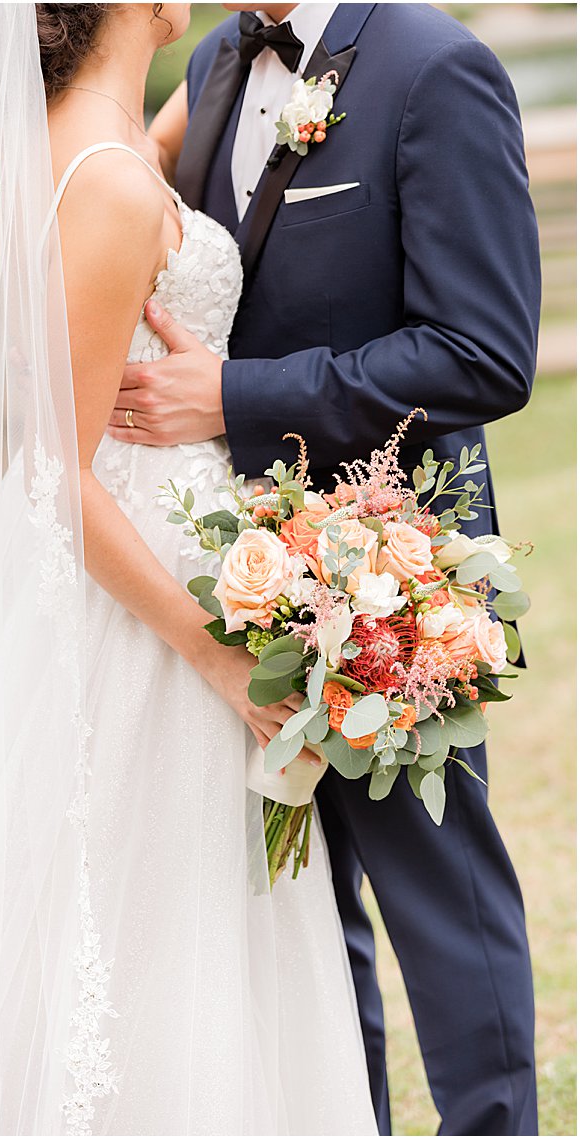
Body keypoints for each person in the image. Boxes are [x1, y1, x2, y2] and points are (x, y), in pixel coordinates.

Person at [0, 5, 374, 1133]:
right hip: (143, 607)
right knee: (152, 932)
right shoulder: (110, 185)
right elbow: (52, 474)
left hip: (97, 590)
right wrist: (215, 654)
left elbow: (185, 116)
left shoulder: (79, 146)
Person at [122, 5, 540, 1133]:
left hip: (386, 573)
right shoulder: (212, 59)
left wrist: (235, 397)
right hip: (233, 571)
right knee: (304, 913)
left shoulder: (436, 67)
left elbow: (482, 349)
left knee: (440, 896)